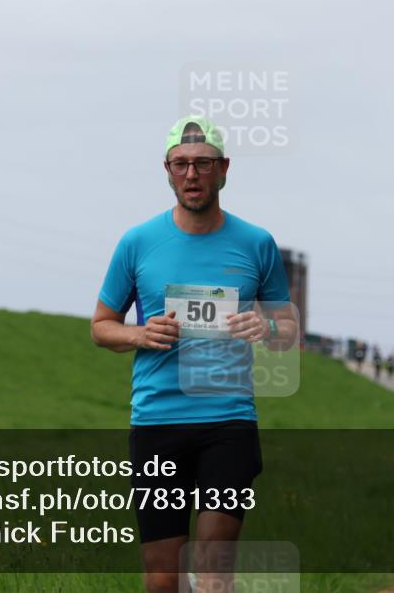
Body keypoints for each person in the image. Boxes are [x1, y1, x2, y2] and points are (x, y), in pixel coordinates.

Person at [91, 116, 297, 593]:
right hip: (158, 421)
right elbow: (101, 327)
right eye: (181, 164)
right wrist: (140, 335)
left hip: (228, 420)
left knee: (213, 576)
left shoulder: (256, 243)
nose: (191, 174)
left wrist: (265, 326)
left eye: (202, 163)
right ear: (166, 170)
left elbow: (287, 330)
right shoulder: (138, 242)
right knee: (163, 579)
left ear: (223, 169)